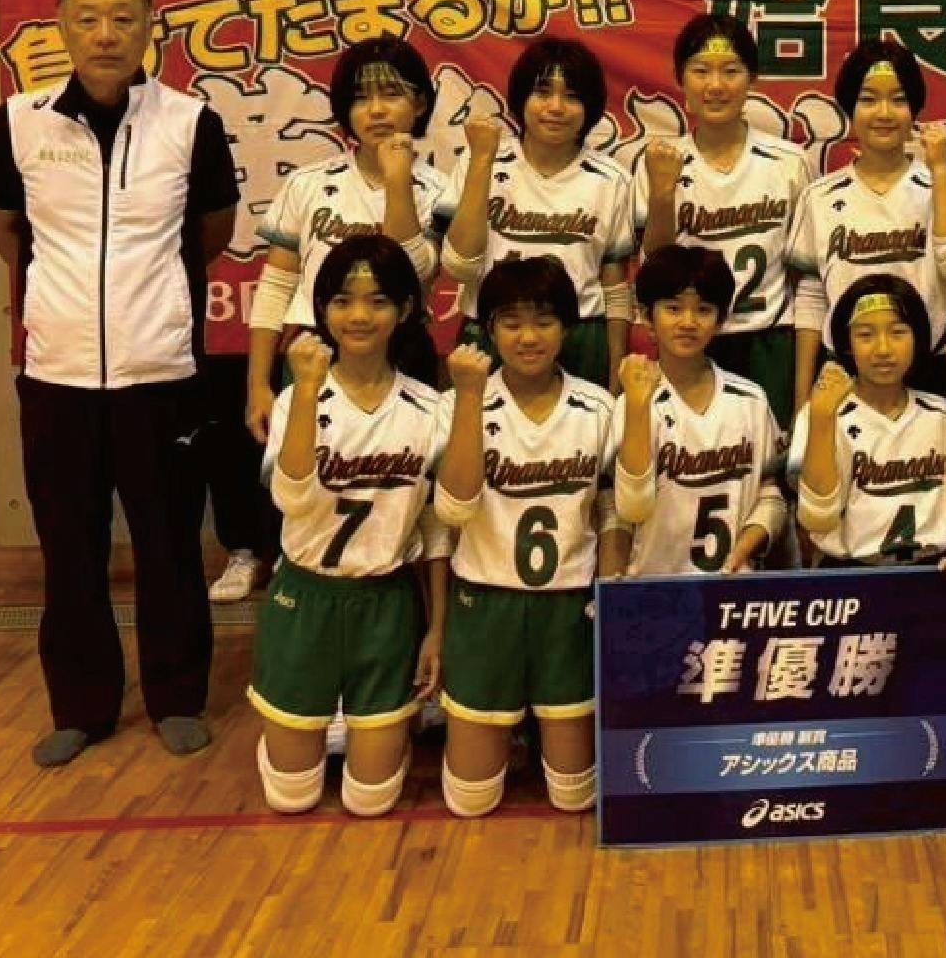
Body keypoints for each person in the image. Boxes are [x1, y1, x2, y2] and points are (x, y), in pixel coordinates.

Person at [0, 0, 238, 767]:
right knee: (70, 548)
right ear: (60, 28)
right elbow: (2, 225)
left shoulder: (190, 122)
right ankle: (82, 705)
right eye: (87, 18)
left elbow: (212, 231)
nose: (105, 34)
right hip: (57, 377)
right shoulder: (19, 122)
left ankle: (176, 696)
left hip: (160, 373)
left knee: (168, 545)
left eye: (123, 18)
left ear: (150, 24)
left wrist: (151, 301)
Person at [225, 37, 448, 604]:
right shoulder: (309, 184)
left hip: (402, 357)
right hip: (312, 357)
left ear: (420, 103)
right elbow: (276, 287)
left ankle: (408, 618)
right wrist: (257, 383)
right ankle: (302, 608)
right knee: (305, 493)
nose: (376, 110)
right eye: (361, 98)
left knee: (404, 495)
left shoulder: (441, 190)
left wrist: (397, 181)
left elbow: (417, 270)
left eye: (391, 94)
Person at [247, 237, 449, 818]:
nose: (359, 316)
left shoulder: (431, 409)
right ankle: (316, 719)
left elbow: (438, 530)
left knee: (371, 800)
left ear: (405, 309)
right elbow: (291, 498)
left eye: (377, 301)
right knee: (291, 797)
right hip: (304, 598)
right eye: (342, 300)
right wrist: (307, 391)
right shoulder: (296, 398)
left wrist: (436, 629)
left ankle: (362, 725)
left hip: (385, 602)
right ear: (322, 309)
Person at [431, 255, 622, 818]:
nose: (528, 337)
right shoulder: (456, 403)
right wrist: (469, 397)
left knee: (574, 796)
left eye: (543, 320)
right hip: (484, 604)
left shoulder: (598, 407)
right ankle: (509, 735)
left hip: (568, 607)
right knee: (470, 800)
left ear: (568, 327)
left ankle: (535, 735)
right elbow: (454, 507)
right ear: (488, 330)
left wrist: (610, 589)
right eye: (511, 322)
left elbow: (612, 509)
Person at [633, 13, 811, 432]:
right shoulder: (657, 160)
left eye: (731, 71)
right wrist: (663, 193)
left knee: (770, 460)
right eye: (701, 71)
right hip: (688, 339)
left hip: (769, 339)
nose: (715, 85)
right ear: (680, 79)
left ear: (753, 79)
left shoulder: (788, 162)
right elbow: (655, 265)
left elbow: (806, 277)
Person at [438, 36, 636, 391]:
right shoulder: (479, 160)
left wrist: (615, 366)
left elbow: (615, 284)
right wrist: (482, 160)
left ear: (590, 106)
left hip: (580, 334)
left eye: (572, 96)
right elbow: (459, 266)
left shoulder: (612, 180)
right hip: (492, 329)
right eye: (542, 93)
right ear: (520, 98)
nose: (555, 107)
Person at [786, 39, 946, 409]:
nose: (884, 113)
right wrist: (803, 399)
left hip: (927, 375)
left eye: (899, 100)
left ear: (915, 109)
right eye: (869, 99)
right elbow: (811, 300)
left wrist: (940, 172)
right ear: (849, 108)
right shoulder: (819, 197)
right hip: (844, 375)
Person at [612, 244, 787, 576]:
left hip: (732, 589)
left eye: (703, 310)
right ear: (647, 315)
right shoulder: (631, 403)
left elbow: (771, 494)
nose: (688, 322)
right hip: (655, 586)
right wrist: (637, 407)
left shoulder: (751, 400)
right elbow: (630, 508)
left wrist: (745, 547)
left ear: (720, 321)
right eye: (673, 308)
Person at [794, 275, 946, 569]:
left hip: (930, 573)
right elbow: (817, 519)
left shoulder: (941, 413)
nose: (883, 349)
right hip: (849, 576)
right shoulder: (821, 413)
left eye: (898, 332)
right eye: (865, 335)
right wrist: (822, 418)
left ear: (917, 338)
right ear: (846, 344)